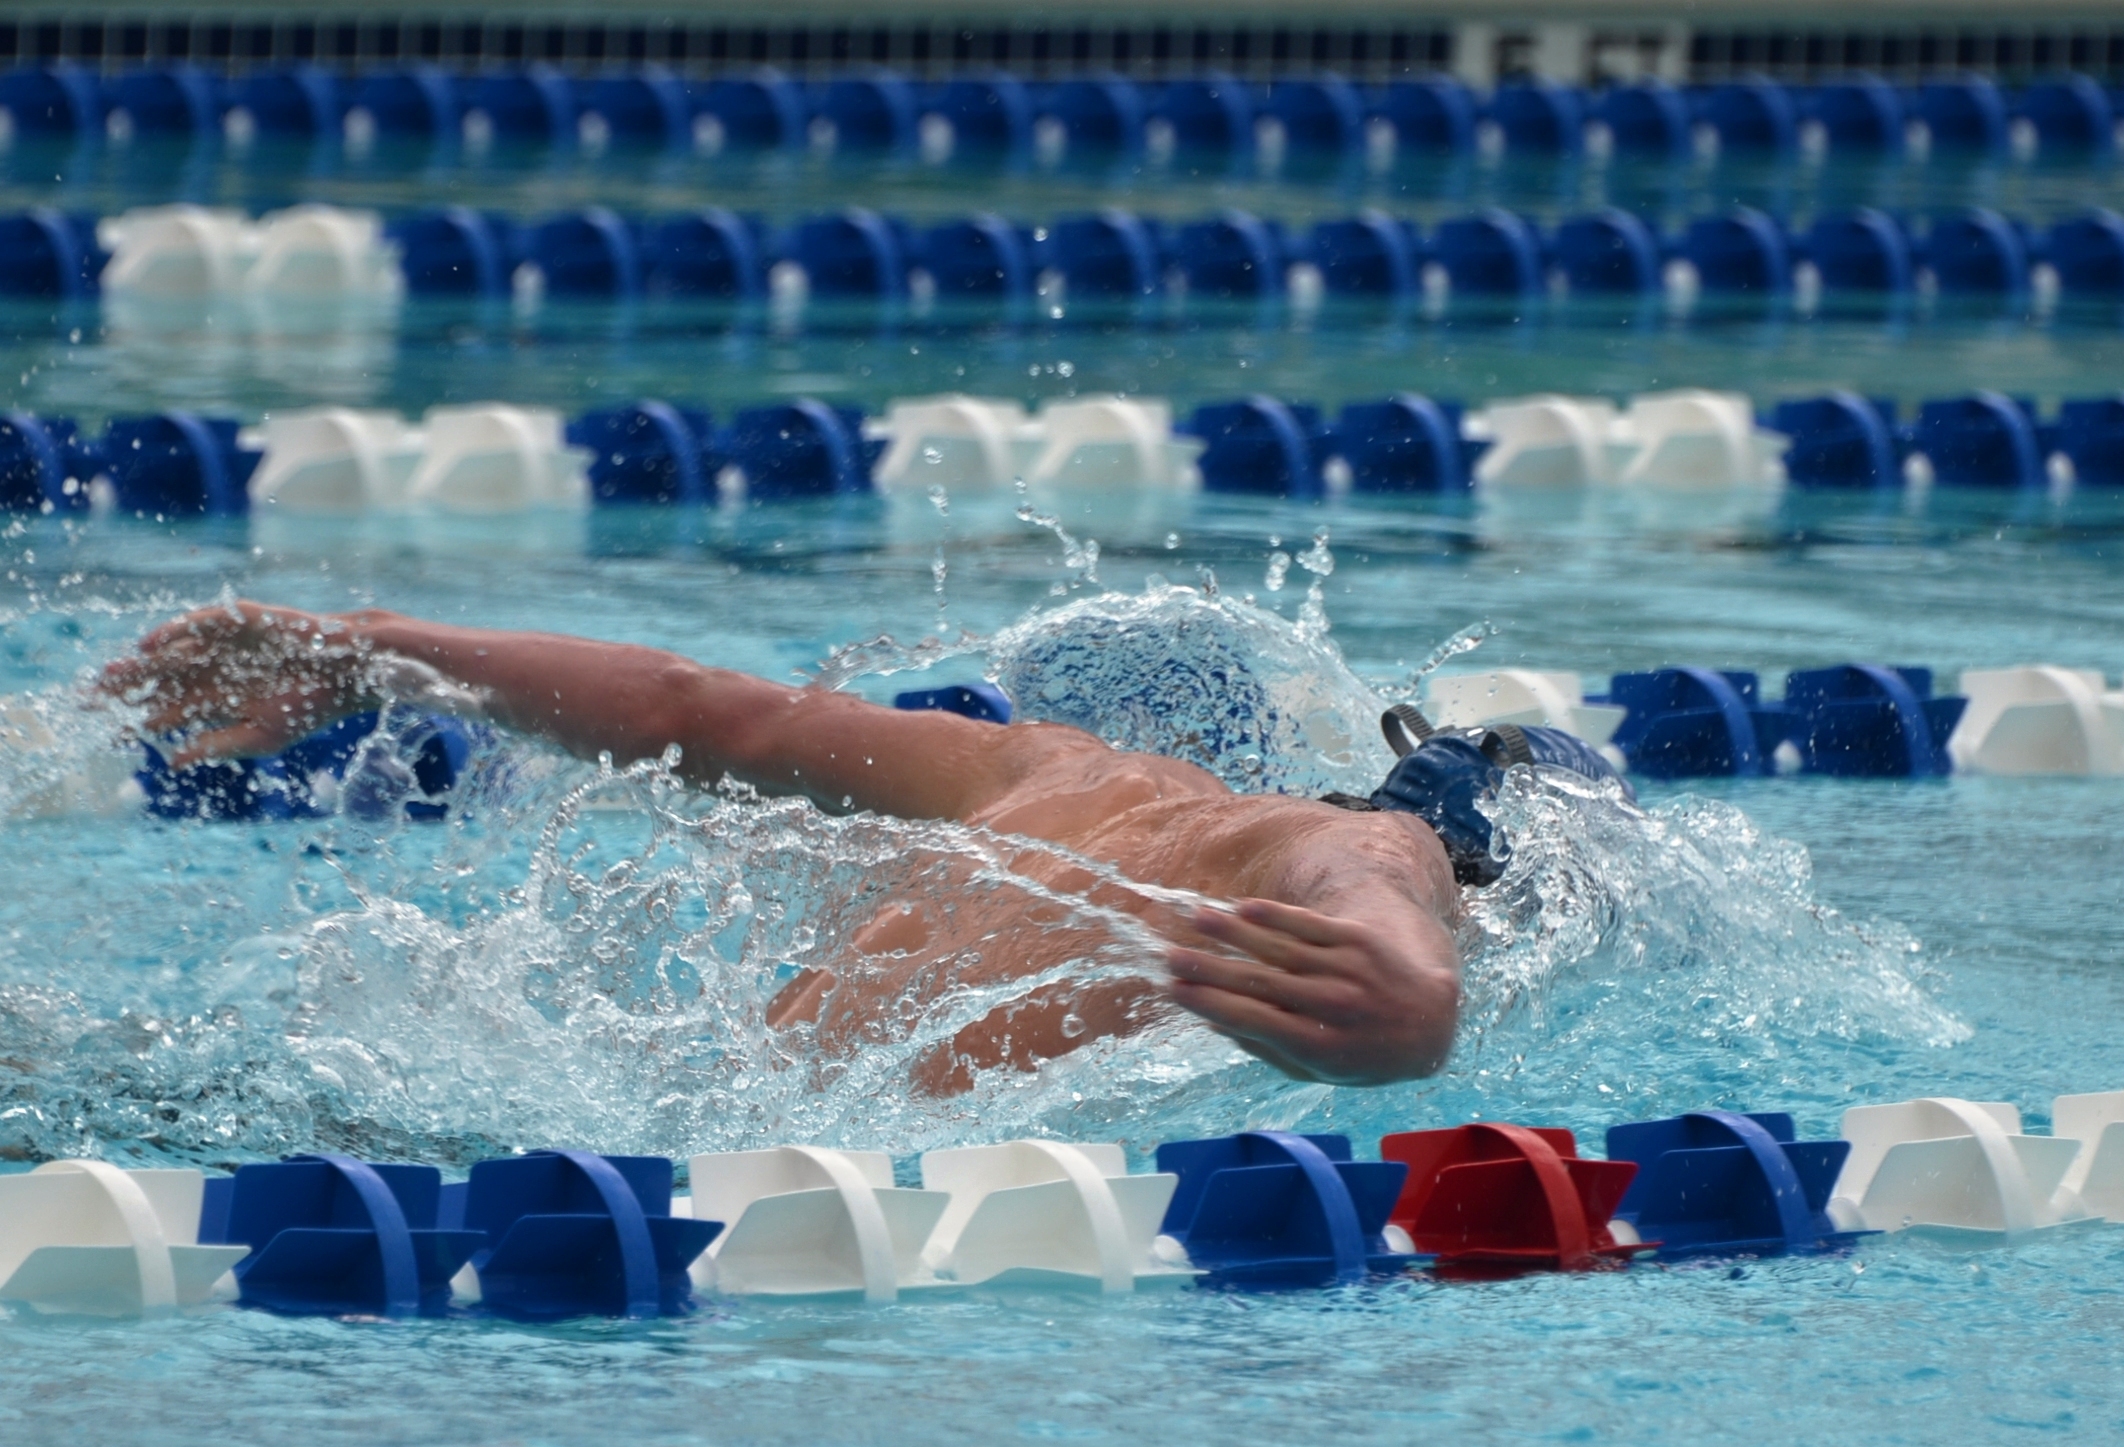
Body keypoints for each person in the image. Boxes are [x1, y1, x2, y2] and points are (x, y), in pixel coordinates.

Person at [103, 601, 1610, 1094]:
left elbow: (710, 711)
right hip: (807, 1199)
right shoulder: (1320, 853)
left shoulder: (1046, 765)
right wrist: (1417, 989)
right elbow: (1390, 877)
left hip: (674, 1110)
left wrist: (374, 642)